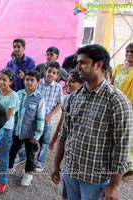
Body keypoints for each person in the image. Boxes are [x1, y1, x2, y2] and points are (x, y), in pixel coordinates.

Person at [51, 44, 133, 200]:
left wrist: (114, 185)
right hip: (71, 171)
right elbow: (64, 134)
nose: (77, 66)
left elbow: (122, 147)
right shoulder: (73, 97)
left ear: (99, 64)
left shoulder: (117, 101)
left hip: (96, 179)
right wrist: (56, 165)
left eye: (83, 62)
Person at [48, 69, 84, 200]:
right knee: (67, 190)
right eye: (67, 81)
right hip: (69, 150)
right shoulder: (68, 99)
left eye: (72, 82)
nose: (68, 84)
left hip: (82, 155)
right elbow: (62, 123)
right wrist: (54, 138)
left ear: (82, 84)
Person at [8, 70, 45, 186]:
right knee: (13, 150)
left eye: (32, 80)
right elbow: (14, 113)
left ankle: (28, 175)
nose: (29, 82)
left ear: (37, 83)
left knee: (30, 156)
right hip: (18, 131)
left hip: (30, 134)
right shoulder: (19, 94)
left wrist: (37, 135)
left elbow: (40, 118)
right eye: (27, 79)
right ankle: (9, 167)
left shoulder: (39, 98)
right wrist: (12, 128)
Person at [35, 61, 63, 172]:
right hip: (35, 118)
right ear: (45, 72)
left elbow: (59, 103)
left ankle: (40, 162)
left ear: (57, 76)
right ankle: (29, 157)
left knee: (45, 141)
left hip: (47, 120)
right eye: (49, 71)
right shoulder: (38, 83)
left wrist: (50, 116)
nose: (50, 74)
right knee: (32, 138)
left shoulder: (58, 88)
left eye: (54, 73)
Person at [111, 42, 133, 182]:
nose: (129, 55)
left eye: (132, 52)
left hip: (129, 106)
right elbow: (111, 84)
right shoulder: (119, 67)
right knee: (115, 133)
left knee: (128, 137)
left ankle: (128, 167)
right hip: (115, 104)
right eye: (127, 52)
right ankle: (114, 163)